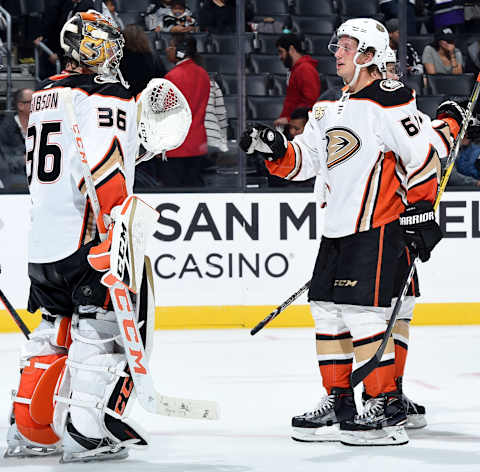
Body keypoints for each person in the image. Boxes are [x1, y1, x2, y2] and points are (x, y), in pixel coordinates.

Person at [240, 17, 447, 446]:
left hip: (375, 226)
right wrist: (276, 149)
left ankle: (385, 407)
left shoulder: (389, 100)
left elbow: (421, 155)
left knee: (366, 315)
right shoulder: (328, 108)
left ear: (370, 55)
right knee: (327, 314)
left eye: (348, 46)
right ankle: (340, 400)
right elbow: (306, 163)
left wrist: (422, 209)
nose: (337, 51)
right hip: (335, 228)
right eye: (339, 44)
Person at [6, 11, 150, 462]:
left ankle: (30, 432)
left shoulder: (45, 93)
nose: (113, 50)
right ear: (86, 46)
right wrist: (116, 229)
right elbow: (105, 164)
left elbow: (71, 154)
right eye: (105, 41)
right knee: (99, 334)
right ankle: (87, 433)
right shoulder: (108, 92)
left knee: (50, 332)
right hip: (86, 236)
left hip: (44, 241)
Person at [160, 33, 210, 187]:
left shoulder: (171, 77)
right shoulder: (204, 74)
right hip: (197, 144)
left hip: (176, 147)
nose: (168, 50)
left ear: (180, 51)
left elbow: (165, 114)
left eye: (171, 46)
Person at [273, 34, 321, 128]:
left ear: (291, 49)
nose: (280, 56)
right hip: (294, 126)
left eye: (281, 52)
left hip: (299, 128)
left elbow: (311, 101)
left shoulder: (305, 69)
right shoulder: (298, 69)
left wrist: (288, 119)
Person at [0, 88, 33, 191]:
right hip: (14, 177)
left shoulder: (42, 126)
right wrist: (26, 159)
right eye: (34, 101)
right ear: (21, 105)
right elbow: (5, 161)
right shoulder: (5, 129)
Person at [120, 23, 166, 97]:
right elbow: (161, 77)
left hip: (128, 98)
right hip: (148, 97)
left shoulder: (120, 58)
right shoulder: (152, 57)